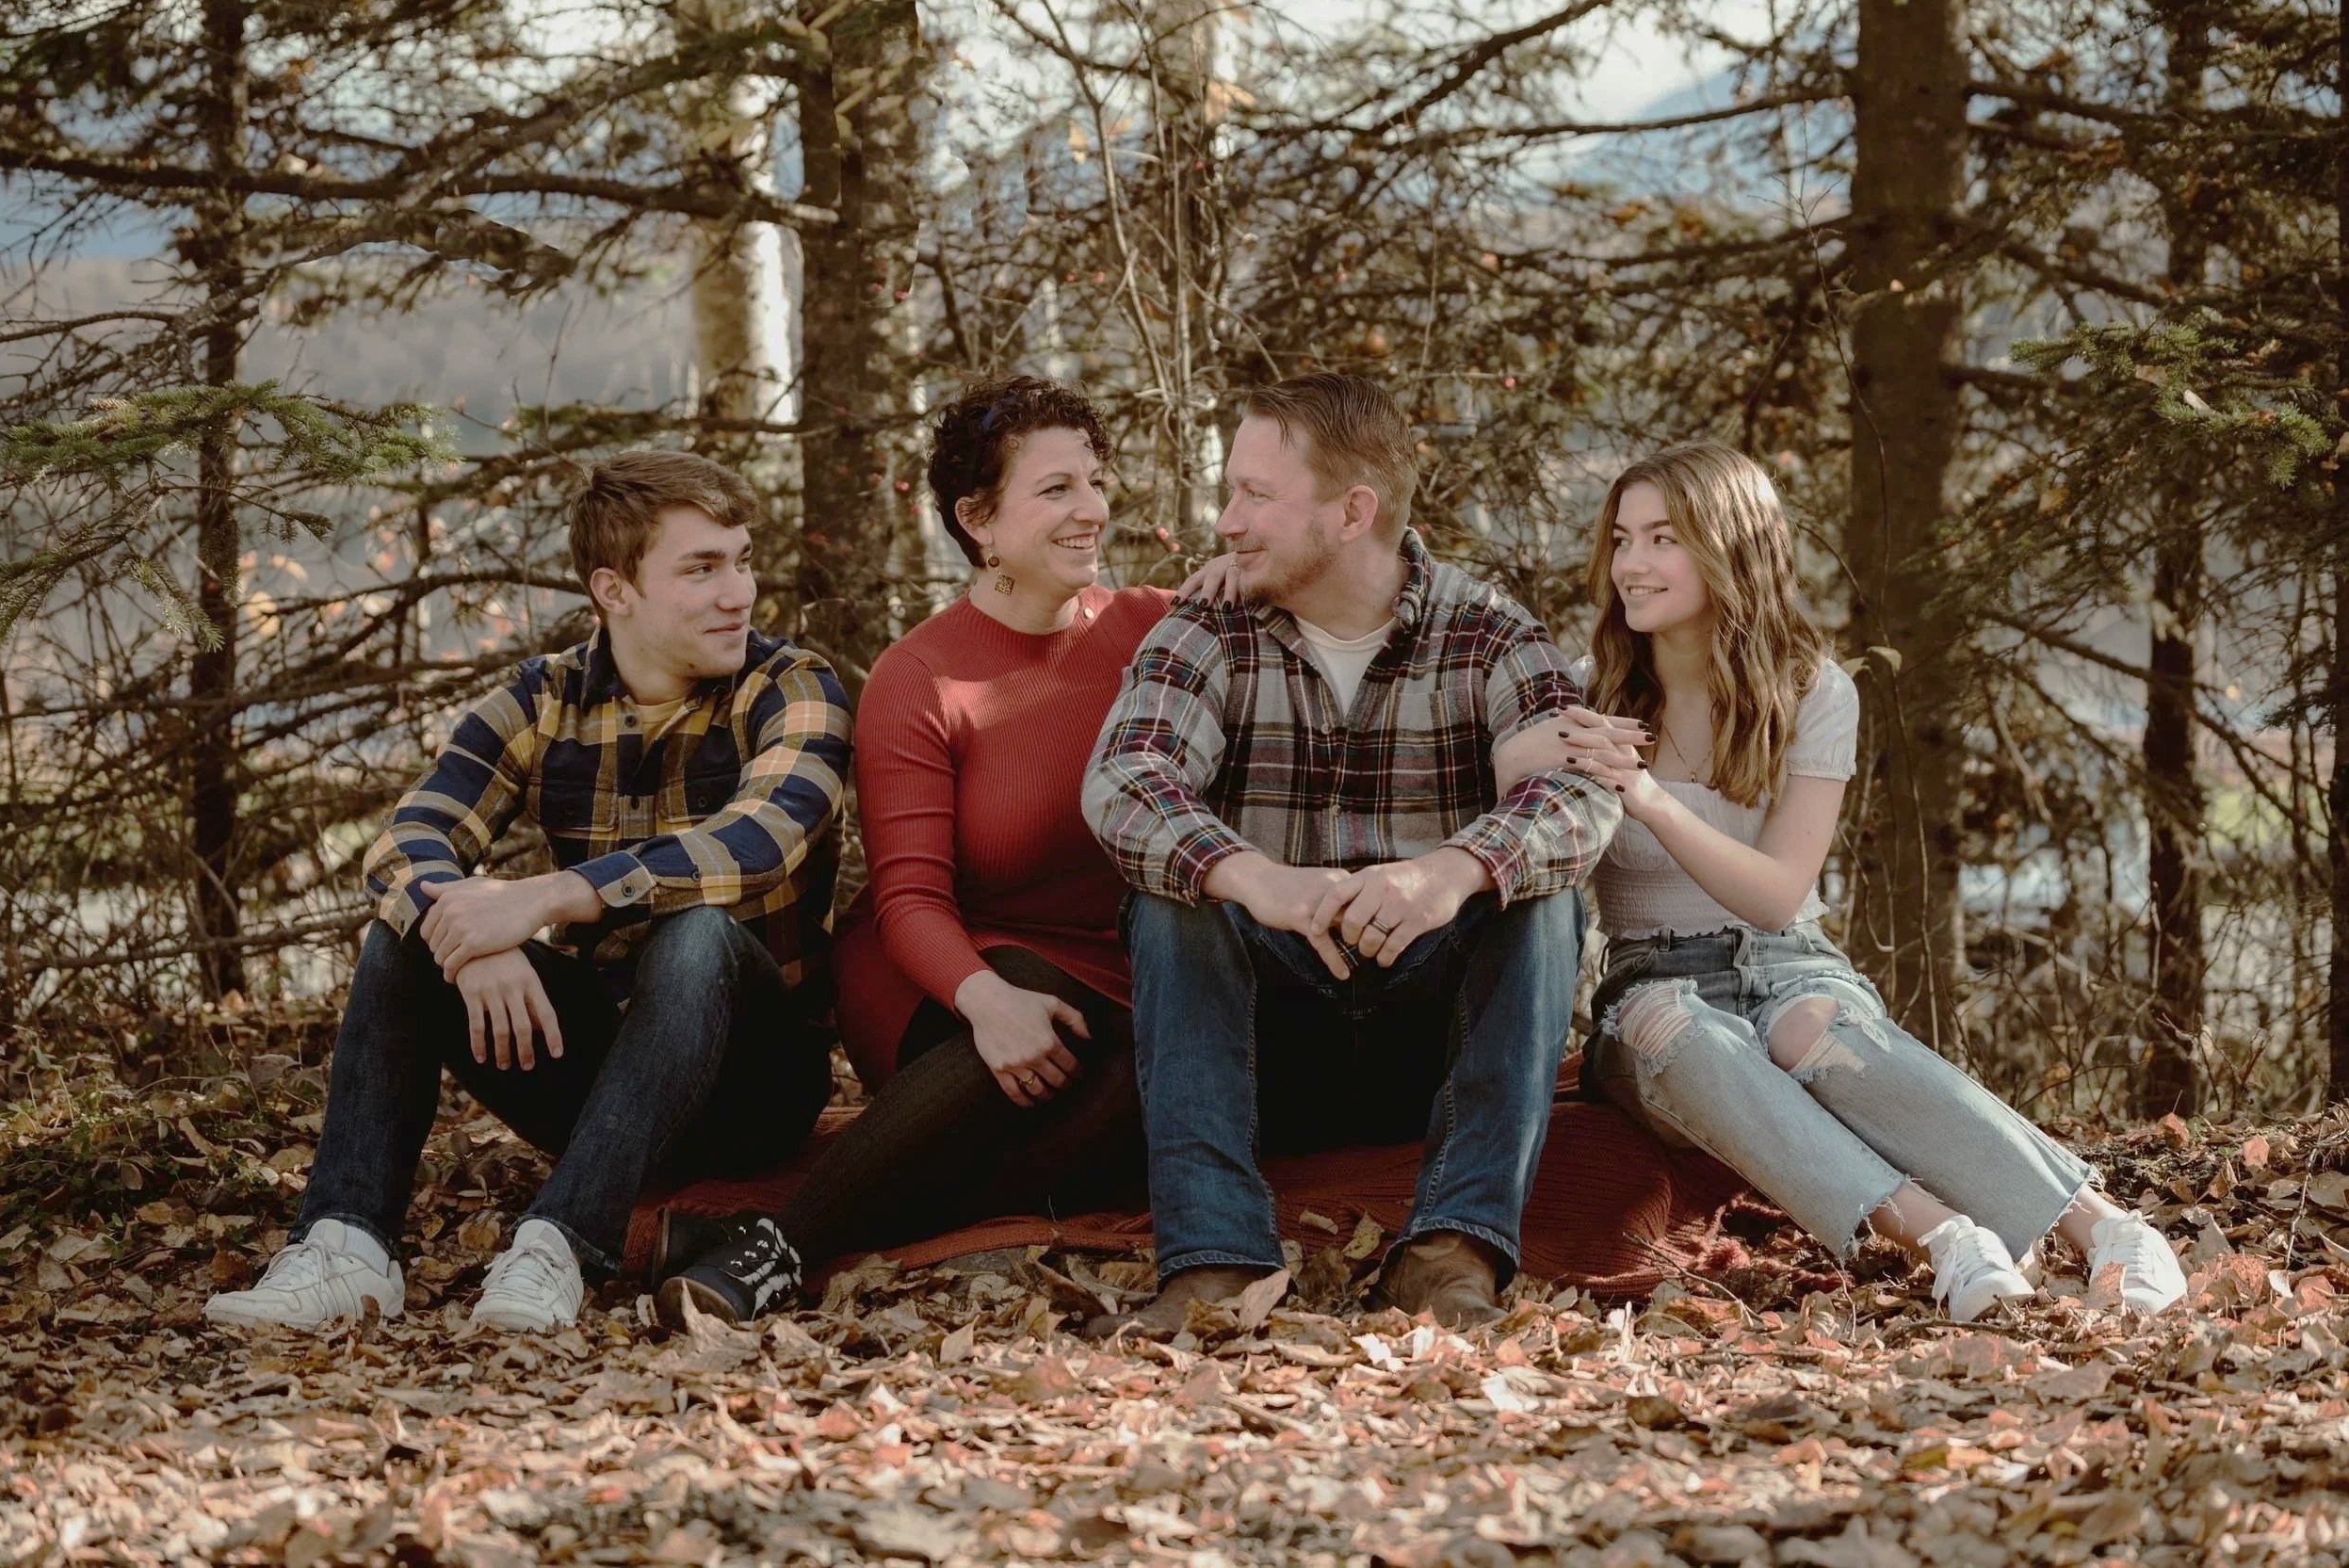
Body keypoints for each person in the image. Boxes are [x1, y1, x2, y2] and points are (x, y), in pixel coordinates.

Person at [1498, 441, 2186, 1318]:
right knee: (1690, 1033)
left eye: (1662, 538)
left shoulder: (1812, 692)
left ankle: (2108, 1229)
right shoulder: (1593, 693)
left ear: (1729, 546)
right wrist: (1544, 744)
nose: (1632, 564)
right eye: (1623, 538)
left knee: (1811, 1034)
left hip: (1790, 960)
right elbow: (1502, 774)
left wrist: (1650, 799)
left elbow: (1779, 893)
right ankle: (1950, 1241)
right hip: (1651, 984)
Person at [205, 451, 850, 1334]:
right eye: (702, 569)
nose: (737, 592)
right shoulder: (541, 698)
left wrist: (542, 900)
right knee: (407, 932)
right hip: (599, 1079)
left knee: (694, 934)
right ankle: (348, 1244)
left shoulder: (790, 686)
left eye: (741, 560)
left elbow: (762, 839)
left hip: (756, 1083)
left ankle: (559, 1247)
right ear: (614, 590)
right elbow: (408, 841)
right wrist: (473, 935)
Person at [656, 377, 1239, 1324]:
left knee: (1143, 1107)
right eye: (1055, 489)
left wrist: (1241, 581)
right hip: (945, 974)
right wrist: (989, 1001)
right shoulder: (919, 676)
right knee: (1027, 1020)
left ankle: (756, 1230)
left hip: (1122, 984)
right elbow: (912, 897)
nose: (1090, 507)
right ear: (978, 518)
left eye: (1093, 480)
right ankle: (778, 1251)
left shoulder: (1158, 626)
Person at [1081, 371, 1628, 1337]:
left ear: (1351, 512)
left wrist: (1447, 871)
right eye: (1230, 489)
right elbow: (1125, 779)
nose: (1226, 518)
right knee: (1172, 894)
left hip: (1429, 1041)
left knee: (1539, 900)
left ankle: (1448, 1252)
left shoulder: (1486, 632)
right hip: (1262, 1038)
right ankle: (1213, 1264)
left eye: (1255, 493)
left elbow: (1583, 793)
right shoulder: (1209, 625)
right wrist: (1260, 879)